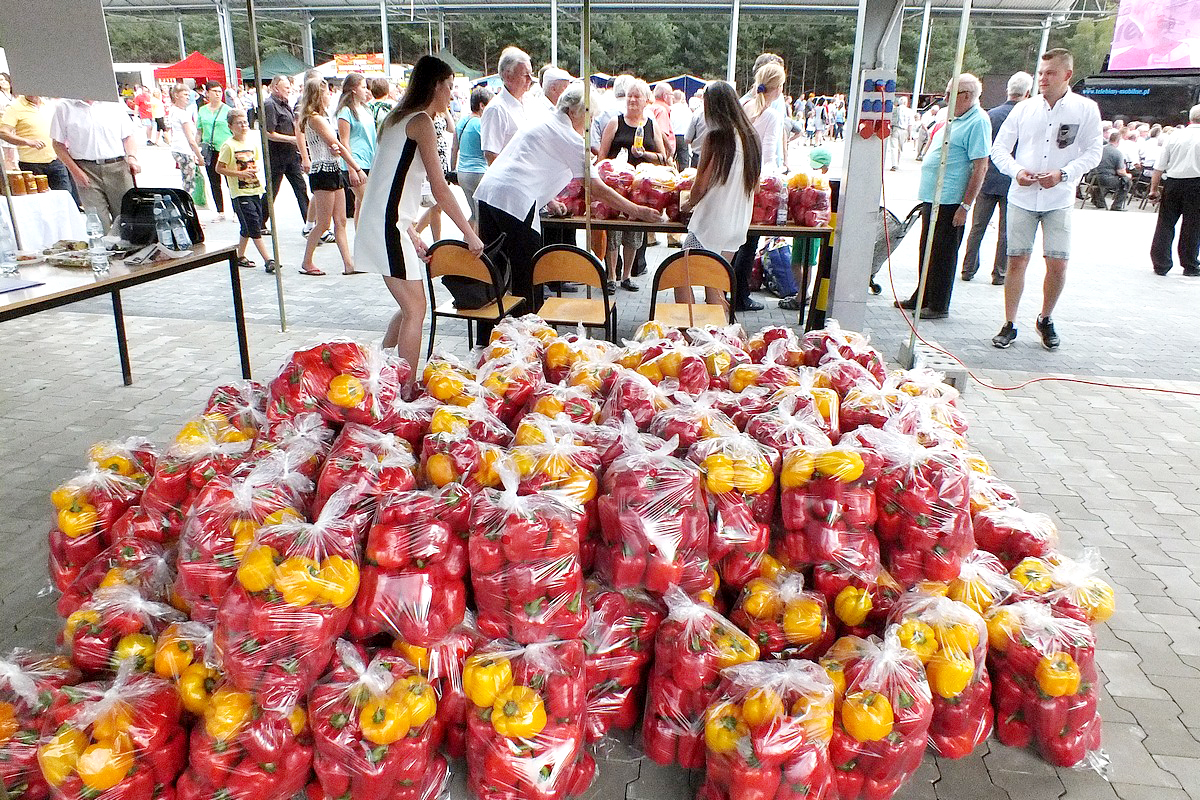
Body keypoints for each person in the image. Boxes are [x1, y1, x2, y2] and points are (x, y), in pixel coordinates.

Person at [475, 81, 661, 336]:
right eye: (589, 116)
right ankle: (526, 338)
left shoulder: (543, 121)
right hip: (515, 201)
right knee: (527, 276)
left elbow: (525, 162)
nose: (589, 123)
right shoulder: (569, 137)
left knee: (491, 270)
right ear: (575, 112)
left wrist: (549, 200)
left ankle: (487, 336)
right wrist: (637, 211)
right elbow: (596, 188)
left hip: (490, 193)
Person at [357, 56, 484, 374]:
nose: (452, 94)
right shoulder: (421, 122)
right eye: (450, 87)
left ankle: (380, 374)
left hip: (387, 223)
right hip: (388, 225)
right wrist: (470, 234)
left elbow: (388, 181)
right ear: (436, 85)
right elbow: (440, 187)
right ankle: (403, 386)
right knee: (416, 309)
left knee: (409, 307)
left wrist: (412, 233)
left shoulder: (396, 118)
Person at [989, 48, 1102, 350]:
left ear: (1067, 75)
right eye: (1040, 73)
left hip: (1059, 198)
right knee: (1016, 260)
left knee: (1058, 263)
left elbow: (1094, 152)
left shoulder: (1085, 109)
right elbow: (999, 149)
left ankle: (1046, 317)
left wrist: (1064, 173)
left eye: (1050, 73)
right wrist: (1016, 171)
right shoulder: (1023, 109)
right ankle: (1009, 322)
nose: (1043, 78)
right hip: (1022, 196)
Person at [895, 74, 991, 320]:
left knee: (943, 253)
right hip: (934, 196)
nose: (945, 98)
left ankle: (938, 304)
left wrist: (965, 205)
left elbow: (980, 166)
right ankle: (923, 295)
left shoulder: (978, 121)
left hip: (951, 200)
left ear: (966, 96)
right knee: (928, 248)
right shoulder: (953, 117)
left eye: (950, 94)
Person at [679, 80, 762, 310]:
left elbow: (700, 186)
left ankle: (688, 326)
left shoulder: (716, 137)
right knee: (715, 284)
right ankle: (719, 328)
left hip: (712, 222)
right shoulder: (752, 137)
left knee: (680, 275)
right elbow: (756, 187)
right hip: (738, 223)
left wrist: (687, 204)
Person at [598, 78, 671, 292]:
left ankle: (627, 276)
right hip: (617, 187)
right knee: (614, 232)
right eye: (629, 95)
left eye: (637, 96)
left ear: (646, 101)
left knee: (634, 234)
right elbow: (602, 156)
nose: (632, 100)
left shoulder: (651, 125)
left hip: (641, 189)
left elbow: (663, 157)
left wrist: (644, 154)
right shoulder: (615, 123)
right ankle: (611, 276)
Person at [961, 71, 1032, 284]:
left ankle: (968, 268)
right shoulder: (1028, 117)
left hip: (988, 178)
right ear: (1027, 93)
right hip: (1014, 181)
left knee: (977, 227)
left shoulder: (991, 115)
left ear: (1008, 90)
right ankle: (999, 273)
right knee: (1006, 231)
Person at [727, 61, 787, 312]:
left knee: (737, 240)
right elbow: (768, 155)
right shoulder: (771, 115)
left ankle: (728, 291)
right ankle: (740, 296)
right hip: (756, 183)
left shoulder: (744, 107)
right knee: (750, 241)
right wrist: (778, 179)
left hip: (734, 180)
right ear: (779, 88)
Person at [50, 99, 140, 232]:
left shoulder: (113, 103)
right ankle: (104, 245)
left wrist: (132, 157)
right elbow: (58, 144)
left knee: (126, 219)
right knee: (97, 222)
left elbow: (128, 136)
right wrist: (75, 171)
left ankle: (128, 245)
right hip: (85, 169)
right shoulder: (64, 107)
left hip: (118, 167)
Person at [296, 78, 354, 276]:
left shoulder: (321, 117)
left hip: (332, 168)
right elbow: (334, 144)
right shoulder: (315, 119)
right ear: (318, 95)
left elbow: (334, 147)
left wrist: (336, 150)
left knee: (341, 220)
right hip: (322, 171)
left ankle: (348, 264)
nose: (330, 96)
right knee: (323, 223)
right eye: (327, 92)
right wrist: (355, 167)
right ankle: (307, 261)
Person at [215, 109, 276, 273]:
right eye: (239, 123)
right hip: (240, 193)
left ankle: (240, 256)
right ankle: (268, 259)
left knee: (247, 226)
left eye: (245, 122)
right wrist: (239, 174)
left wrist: (253, 170)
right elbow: (219, 168)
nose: (243, 126)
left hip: (254, 189)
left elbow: (254, 163)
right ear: (230, 126)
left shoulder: (251, 144)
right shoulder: (228, 146)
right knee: (254, 225)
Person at [0, 91, 80, 205]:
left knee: (65, 198)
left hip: (55, 160)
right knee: (39, 201)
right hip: (31, 164)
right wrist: (27, 141)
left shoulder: (48, 105)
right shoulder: (15, 107)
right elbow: (3, 132)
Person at [1148, 104, 1200, 276]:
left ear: (1190, 118)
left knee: (1165, 223)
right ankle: (1190, 264)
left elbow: (1159, 166)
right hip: (1197, 184)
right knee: (1192, 226)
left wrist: (1154, 189)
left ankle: (1160, 263)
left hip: (1173, 182)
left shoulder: (1175, 135)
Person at [262, 76, 311, 231]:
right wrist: (291, 139)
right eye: (286, 88)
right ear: (276, 88)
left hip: (290, 155)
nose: (289, 91)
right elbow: (268, 133)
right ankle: (260, 221)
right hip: (277, 156)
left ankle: (310, 223)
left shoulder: (285, 104)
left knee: (301, 188)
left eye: (289, 88)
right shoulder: (270, 105)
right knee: (272, 190)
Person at [480, 46, 535, 163]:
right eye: (525, 74)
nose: (530, 79)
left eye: (531, 74)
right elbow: (491, 155)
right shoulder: (496, 109)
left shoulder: (530, 101)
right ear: (508, 76)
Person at [335, 72, 376, 226]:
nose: (366, 91)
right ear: (353, 89)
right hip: (356, 161)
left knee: (361, 205)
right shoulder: (346, 111)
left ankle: (360, 237)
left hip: (369, 159)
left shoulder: (366, 109)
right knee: (369, 204)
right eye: (363, 87)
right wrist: (352, 169)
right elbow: (344, 141)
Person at [452, 85, 492, 225]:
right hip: (479, 173)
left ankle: (467, 238)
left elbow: (454, 148)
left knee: (475, 214)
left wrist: (453, 171)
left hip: (463, 173)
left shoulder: (461, 122)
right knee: (483, 217)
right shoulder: (481, 124)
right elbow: (489, 151)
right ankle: (477, 239)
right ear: (482, 105)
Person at [196, 82, 233, 221]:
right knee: (214, 182)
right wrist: (196, 150)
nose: (218, 94)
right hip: (210, 150)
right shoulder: (202, 110)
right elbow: (199, 131)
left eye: (219, 91)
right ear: (207, 93)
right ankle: (220, 211)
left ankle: (236, 211)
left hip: (225, 149)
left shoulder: (228, 110)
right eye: (214, 91)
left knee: (230, 181)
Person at [165, 84, 204, 198]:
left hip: (177, 148)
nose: (187, 97)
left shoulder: (173, 110)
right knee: (189, 183)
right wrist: (199, 156)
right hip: (184, 149)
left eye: (188, 95)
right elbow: (190, 139)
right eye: (185, 94)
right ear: (176, 95)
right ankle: (187, 202)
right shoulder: (182, 114)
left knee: (186, 179)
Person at [1092, 131, 1132, 210]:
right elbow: (1120, 171)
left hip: (1092, 177)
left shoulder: (1100, 149)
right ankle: (1117, 205)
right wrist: (1128, 175)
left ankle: (1099, 201)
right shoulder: (1117, 153)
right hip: (1105, 179)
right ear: (1118, 141)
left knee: (1108, 179)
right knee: (1127, 182)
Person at [650, 82, 676, 159]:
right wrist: (668, 151)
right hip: (662, 155)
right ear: (665, 96)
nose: (673, 98)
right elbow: (661, 133)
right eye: (671, 94)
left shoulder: (650, 108)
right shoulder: (662, 110)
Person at [670, 88, 692, 172]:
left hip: (672, 136)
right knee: (683, 160)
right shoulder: (687, 110)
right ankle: (683, 174)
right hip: (683, 136)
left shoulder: (670, 109)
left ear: (673, 98)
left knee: (670, 158)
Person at [887, 96, 912, 170]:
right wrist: (910, 135)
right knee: (900, 148)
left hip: (895, 129)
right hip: (904, 130)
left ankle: (894, 164)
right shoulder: (909, 111)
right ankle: (897, 162)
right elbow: (910, 124)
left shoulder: (894, 110)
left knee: (893, 147)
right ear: (905, 102)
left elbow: (890, 121)